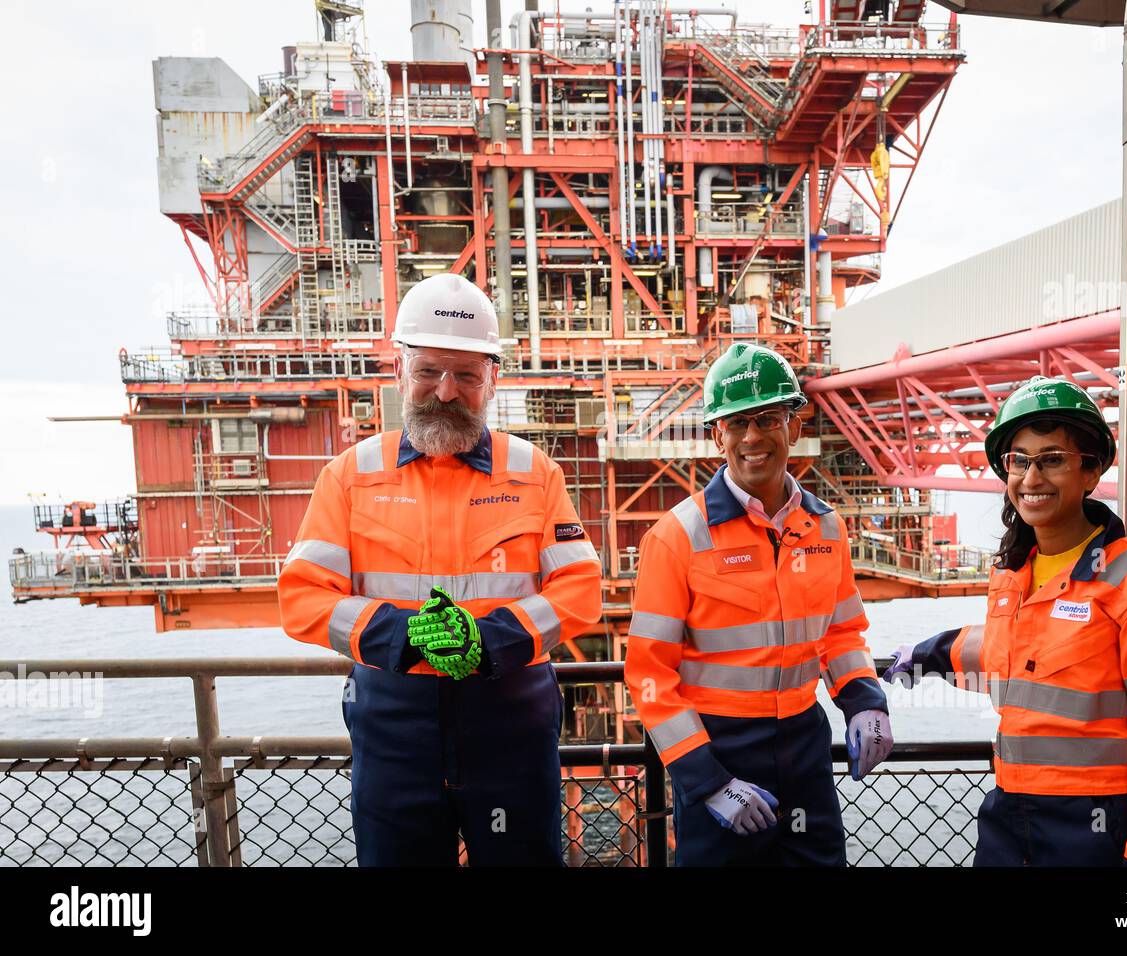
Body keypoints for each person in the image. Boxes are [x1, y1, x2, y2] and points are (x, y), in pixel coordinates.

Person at [277, 273, 603, 866]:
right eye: (429, 371)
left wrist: (488, 639)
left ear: (492, 381)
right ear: (400, 370)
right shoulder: (351, 476)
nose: (446, 392)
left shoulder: (535, 472)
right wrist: (400, 635)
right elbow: (303, 597)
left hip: (511, 719)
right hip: (396, 727)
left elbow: (579, 590)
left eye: (466, 376)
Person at [883, 376, 1127, 867]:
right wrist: (923, 655)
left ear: (1091, 470)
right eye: (1019, 460)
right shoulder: (1014, 574)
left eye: (1052, 459)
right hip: (1009, 818)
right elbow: (1010, 655)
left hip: (1097, 828)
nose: (1031, 479)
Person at [626, 342, 892, 866]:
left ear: (794, 426)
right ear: (715, 434)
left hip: (804, 746)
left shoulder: (827, 528)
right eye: (736, 422)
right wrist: (706, 780)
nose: (752, 437)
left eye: (767, 418)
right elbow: (649, 674)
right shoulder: (677, 537)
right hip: (719, 748)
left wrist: (864, 701)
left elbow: (841, 635)